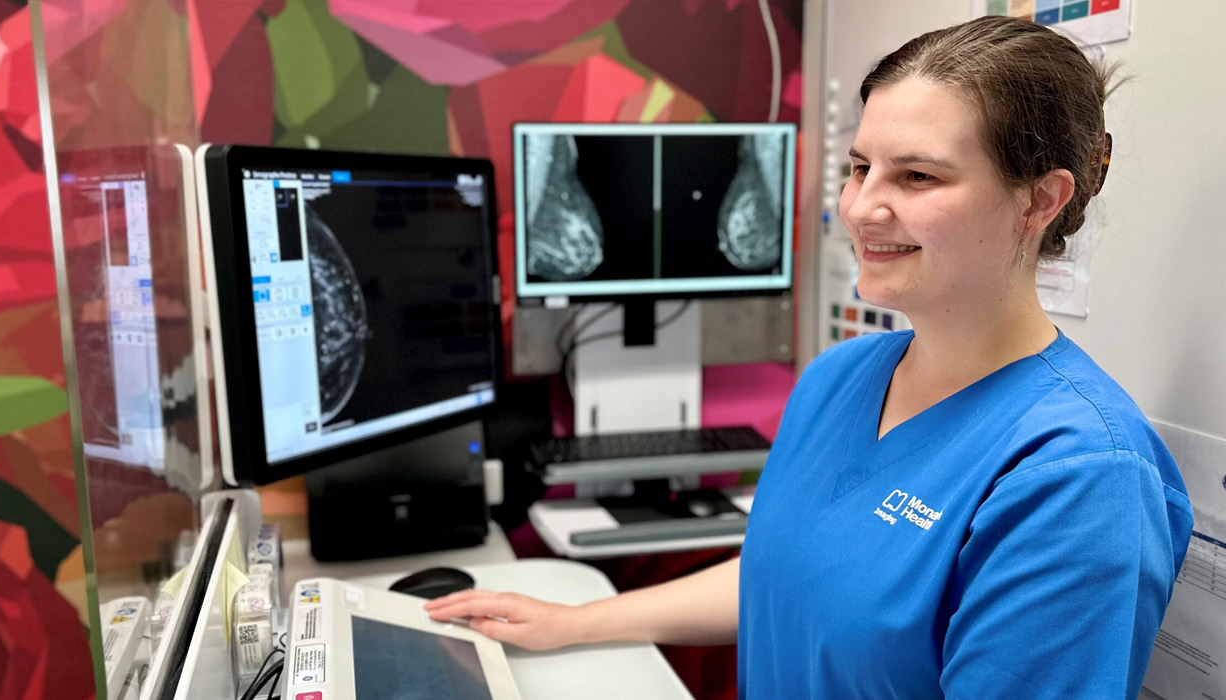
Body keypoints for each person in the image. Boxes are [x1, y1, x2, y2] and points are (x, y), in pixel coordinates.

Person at [426, 16, 1193, 699]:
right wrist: (574, 621)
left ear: (1039, 200)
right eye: (860, 167)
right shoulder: (839, 378)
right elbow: (786, 575)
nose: (860, 207)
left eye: (917, 175)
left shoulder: (1078, 477)